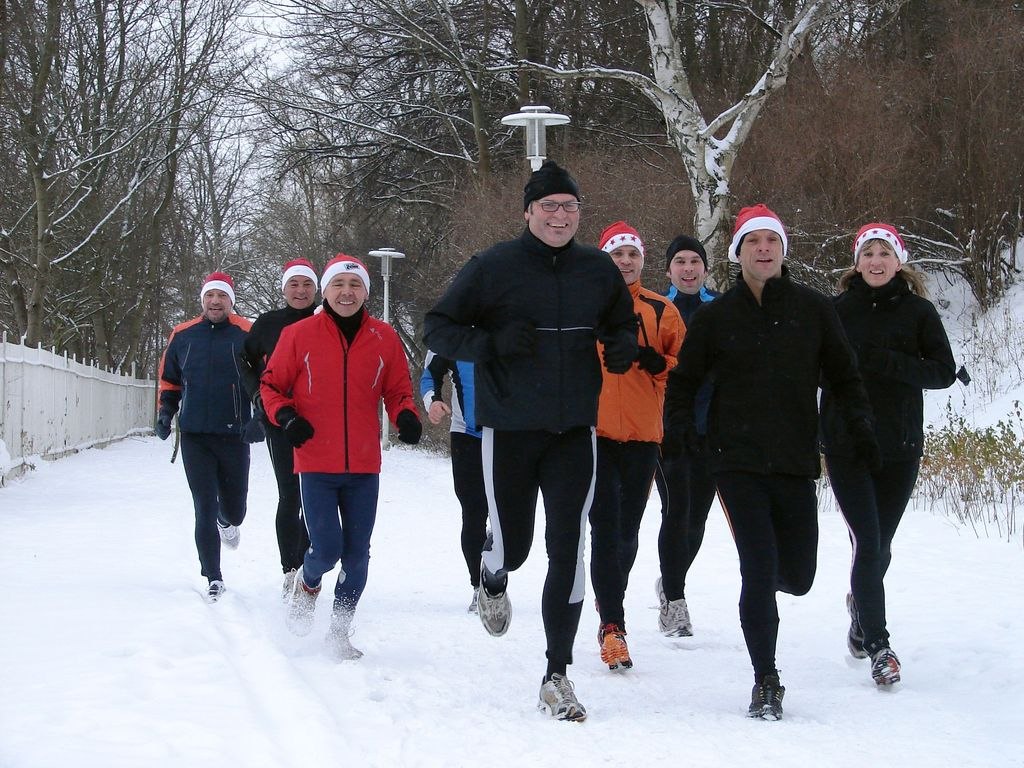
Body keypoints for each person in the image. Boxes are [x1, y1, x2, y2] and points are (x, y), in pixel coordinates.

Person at [423, 159, 638, 722]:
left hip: (574, 431)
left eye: (569, 207)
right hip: (510, 430)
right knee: (514, 544)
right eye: (549, 206)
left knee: (568, 547)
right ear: (528, 212)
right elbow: (438, 328)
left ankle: (556, 673)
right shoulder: (493, 266)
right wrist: (490, 343)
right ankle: (493, 575)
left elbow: (621, 324)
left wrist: (620, 347)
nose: (560, 216)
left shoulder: (597, 269)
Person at [663, 204, 877, 721]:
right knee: (757, 570)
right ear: (738, 254)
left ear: (783, 250)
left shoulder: (813, 310)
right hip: (734, 460)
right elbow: (684, 382)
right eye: (753, 242)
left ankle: (769, 597)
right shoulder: (717, 317)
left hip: (795, 460)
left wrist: (860, 428)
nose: (764, 249)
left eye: (772, 241)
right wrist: (679, 434)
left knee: (798, 575)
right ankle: (766, 679)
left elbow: (845, 377)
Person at [261, 254, 421, 661]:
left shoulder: (384, 337)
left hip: (364, 465)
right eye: (338, 285)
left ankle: (338, 632)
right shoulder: (300, 335)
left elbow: (398, 389)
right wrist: (287, 417)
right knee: (327, 548)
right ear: (326, 291)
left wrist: (405, 415)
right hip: (315, 461)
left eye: (355, 286)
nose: (346, 293)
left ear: (365, 292)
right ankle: (309, 583)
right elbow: (271, 385)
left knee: (357, 555)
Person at [820, 223, 956, 687]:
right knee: (869, 541)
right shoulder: (835, 310)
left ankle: (860, 615)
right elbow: (813, 370)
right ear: (856, 262)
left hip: (899, 446)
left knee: (879, 545)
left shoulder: (918, 312)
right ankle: (880, 645)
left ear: (899, 261)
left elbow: (942, 372)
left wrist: (883, 361)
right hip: (846, 443)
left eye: (884, 253)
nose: (876, 261)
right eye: (868, 253)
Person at [588, 221, 684, 671]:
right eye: (616, 254)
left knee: (626, 534)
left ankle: (611, 602)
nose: (625, 261)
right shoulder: (586, 305)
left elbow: (685, 368)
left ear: (643, 260)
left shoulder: (661, 309)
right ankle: (613, 626)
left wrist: (655, 361)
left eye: (632, 254)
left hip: (645, 437)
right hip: (596, 435)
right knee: (606, 528)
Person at [156, 271, 253, 603]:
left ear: (231, 301)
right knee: (203, 506)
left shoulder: (246, 334)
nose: (215, 301)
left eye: (222, 296)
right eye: (210, 295)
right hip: (196, 436)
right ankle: (213, 576)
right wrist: (165, 413)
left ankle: (228, 522)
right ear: (202, 299)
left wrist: (260, 417)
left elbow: (265, 380)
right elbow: (170, 381)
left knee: (235, 509)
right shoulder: (183, 336)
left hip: (235, 434)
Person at [239, 259, 318, 598]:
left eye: (307, 285)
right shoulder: (269, 324)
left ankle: (309, 564)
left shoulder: (326, 319)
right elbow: (243, 360)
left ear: (317, 289)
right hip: (280, 419)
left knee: (316, 496)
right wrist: (257, 394)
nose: (300, 291)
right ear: (284, 288)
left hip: (321, 421)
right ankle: (290, 569)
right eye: (294, 285)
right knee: (290, 494)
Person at [654, 234, 720, 637]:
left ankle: (669, 577)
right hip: (667, 429)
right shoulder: (659, 309)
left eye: (695, 262)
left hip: (713, 429)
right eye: (680, 262)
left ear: (706, 269)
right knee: (676, 510)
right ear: (669, 270)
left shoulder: (722, 309)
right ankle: (675, 600)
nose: (688, 268)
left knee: (697, 519)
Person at [420, 351, 488, 613]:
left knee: (506, 517)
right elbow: (430, 375)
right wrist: (433, 401)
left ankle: (496, 555)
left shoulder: (511, 319)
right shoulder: (452, 328)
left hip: (508, 436)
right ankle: (479, 588)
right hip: (466, 434)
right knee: (473, 513)